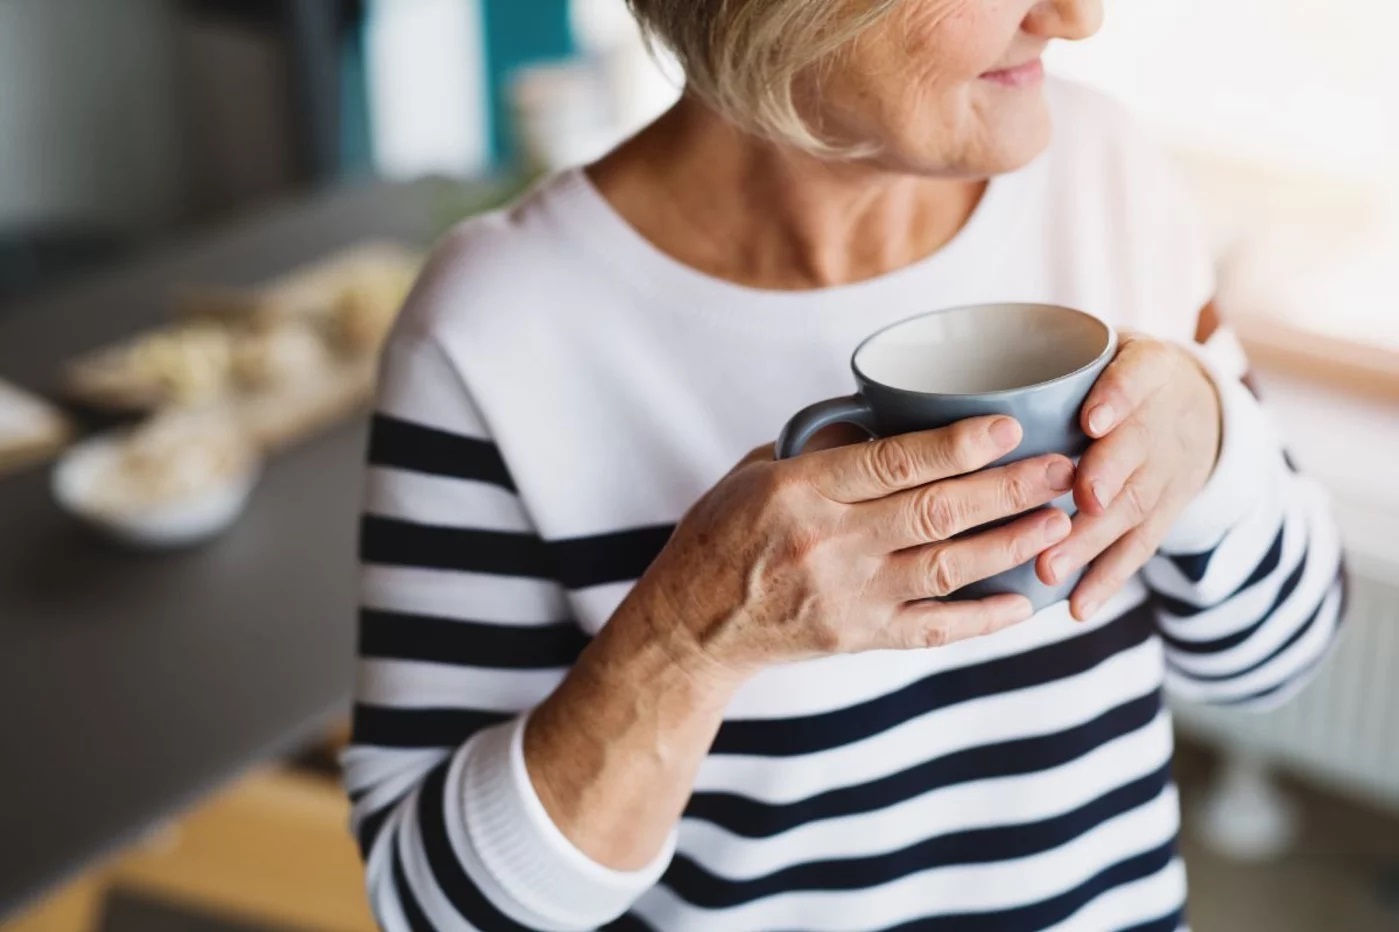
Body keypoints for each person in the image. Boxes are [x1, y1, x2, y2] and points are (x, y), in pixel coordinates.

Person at [342, 1, 1345, 929]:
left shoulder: (1101, 172)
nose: (1076, 17)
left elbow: (1274, 660)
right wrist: (687, 639)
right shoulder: (493, 331)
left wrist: (1212, 445)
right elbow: (436, 908)